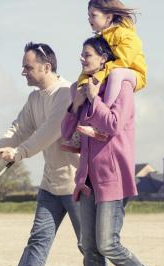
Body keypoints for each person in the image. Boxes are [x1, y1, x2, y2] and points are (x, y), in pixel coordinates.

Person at [0, 42, 113, 266]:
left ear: (46, 67)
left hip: (77, 183)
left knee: (88, 243)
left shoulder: (64, 92)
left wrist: (20, 152)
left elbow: (53, 130)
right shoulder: (35, 99)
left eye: (28, 66)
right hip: (50, 184)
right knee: (38, 239)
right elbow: (18, 129)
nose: (23, 71)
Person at [62, 36, 164, 266]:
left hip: (113, 176)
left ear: (103, 58)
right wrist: (77, 104)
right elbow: (65, 133)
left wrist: (95, 99)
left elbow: (112, 124)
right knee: (89, 245)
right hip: (87, 178)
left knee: (107, 243)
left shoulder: (120, 87)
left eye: (87, 54)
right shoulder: (82, 89)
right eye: (81, 54)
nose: (82, 59)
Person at [61, 0, 147, 153]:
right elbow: (91, 69)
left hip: (132, 73)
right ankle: (77, 137)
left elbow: (123, 62)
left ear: (108, 17)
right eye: (88, 15)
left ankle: (101, 125)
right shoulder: (101, 38)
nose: (89, 19)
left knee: (115, 74)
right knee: (76, 85)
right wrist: (82, 86)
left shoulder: (127, 35)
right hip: (112, 73)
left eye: (93, 15)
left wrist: (98, 77)